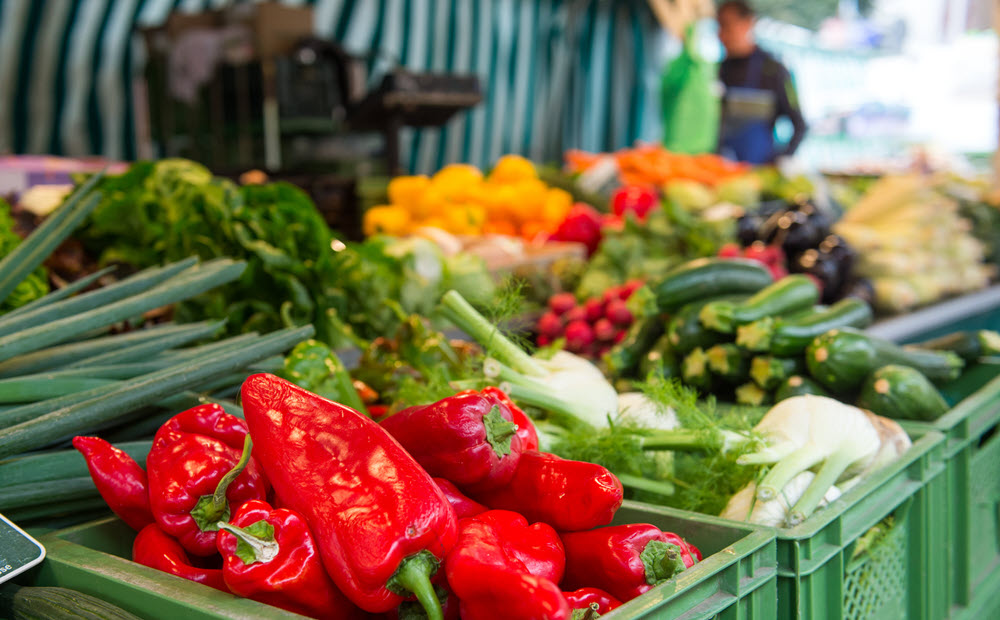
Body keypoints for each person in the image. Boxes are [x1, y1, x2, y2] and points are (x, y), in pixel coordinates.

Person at [716, 1, 807, 164]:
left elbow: (800, 125)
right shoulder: (718, 71)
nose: (721, 35)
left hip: (759, 170)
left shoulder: (774, 70)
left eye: (727, 26)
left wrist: (779, 160)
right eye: (719, 27)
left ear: (749, 23)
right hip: (721, 171)